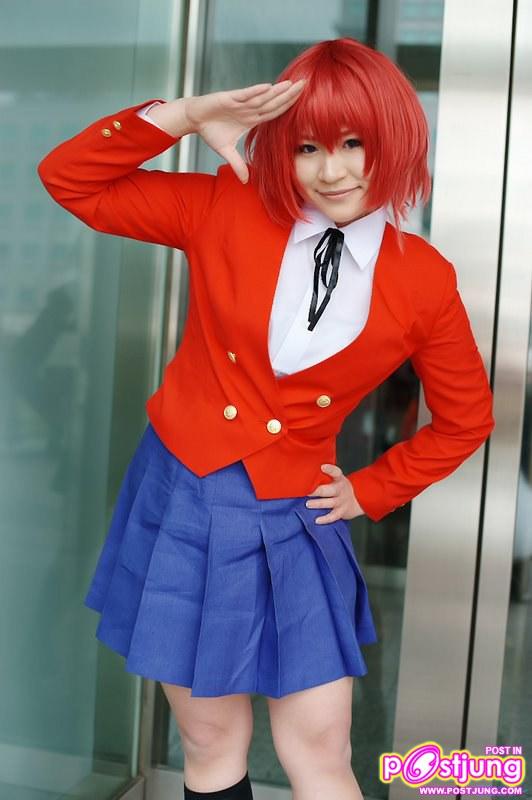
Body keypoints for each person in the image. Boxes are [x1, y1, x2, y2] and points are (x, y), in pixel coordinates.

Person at [37, 37, 495, 800]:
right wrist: (186, 116)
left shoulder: (424, 280)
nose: (332, 170)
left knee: (321, 746)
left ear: (393, 140)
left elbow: (465, 418)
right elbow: (70, 179)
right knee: (209, 740)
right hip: (186, 494)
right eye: (308, 147)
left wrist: (370, 490)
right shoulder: (227, 205)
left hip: (295, 514)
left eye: (353, 143)